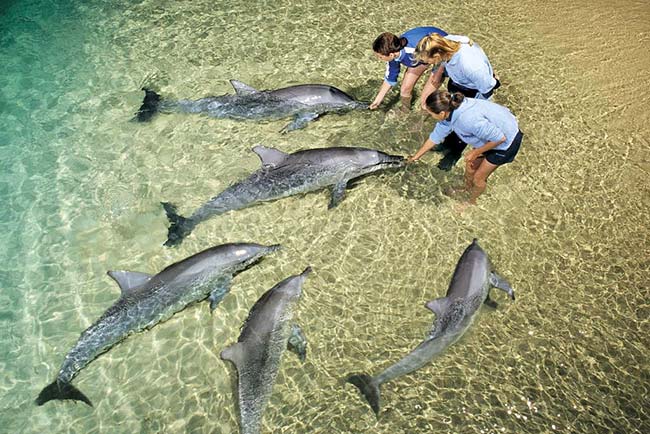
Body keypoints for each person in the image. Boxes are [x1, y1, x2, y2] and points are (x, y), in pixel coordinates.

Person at [407, 90, 523, 207]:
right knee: (470, 167)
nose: (431, 117)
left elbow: (500, 138)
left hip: (507, 141)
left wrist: (476, 152)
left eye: (431, 114)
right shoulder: (450, 109)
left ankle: (470, 202)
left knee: (478, 178)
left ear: (442, 113)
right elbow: (435, 136)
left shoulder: (467, 120)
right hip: (490, 136)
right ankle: (466, 188)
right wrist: (415, 157)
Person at [413, 33, 502, 170]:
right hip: (458, 82)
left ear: (437, 56)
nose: (427, 64)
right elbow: (463, 41)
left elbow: (487, 87)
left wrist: (471, 112)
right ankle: (447, 144)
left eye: (428, 61)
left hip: (474, 91)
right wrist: (440, 70)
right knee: (448, 118)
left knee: (463, 124)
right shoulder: (447, 42)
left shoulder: (470, 65)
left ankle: (454, 153)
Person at [369, 26, 447, 112]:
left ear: (391, 54)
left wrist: (438, 73)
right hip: (422, 57)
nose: (379, 59)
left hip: (442, 54)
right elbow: (390, 78)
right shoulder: (394, 53)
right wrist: (377, 101)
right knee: (405, 90)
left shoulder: (414, 49)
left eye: (380, 57)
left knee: (425, 102)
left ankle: (421, 120)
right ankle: (405, 111)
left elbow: (445, 54)